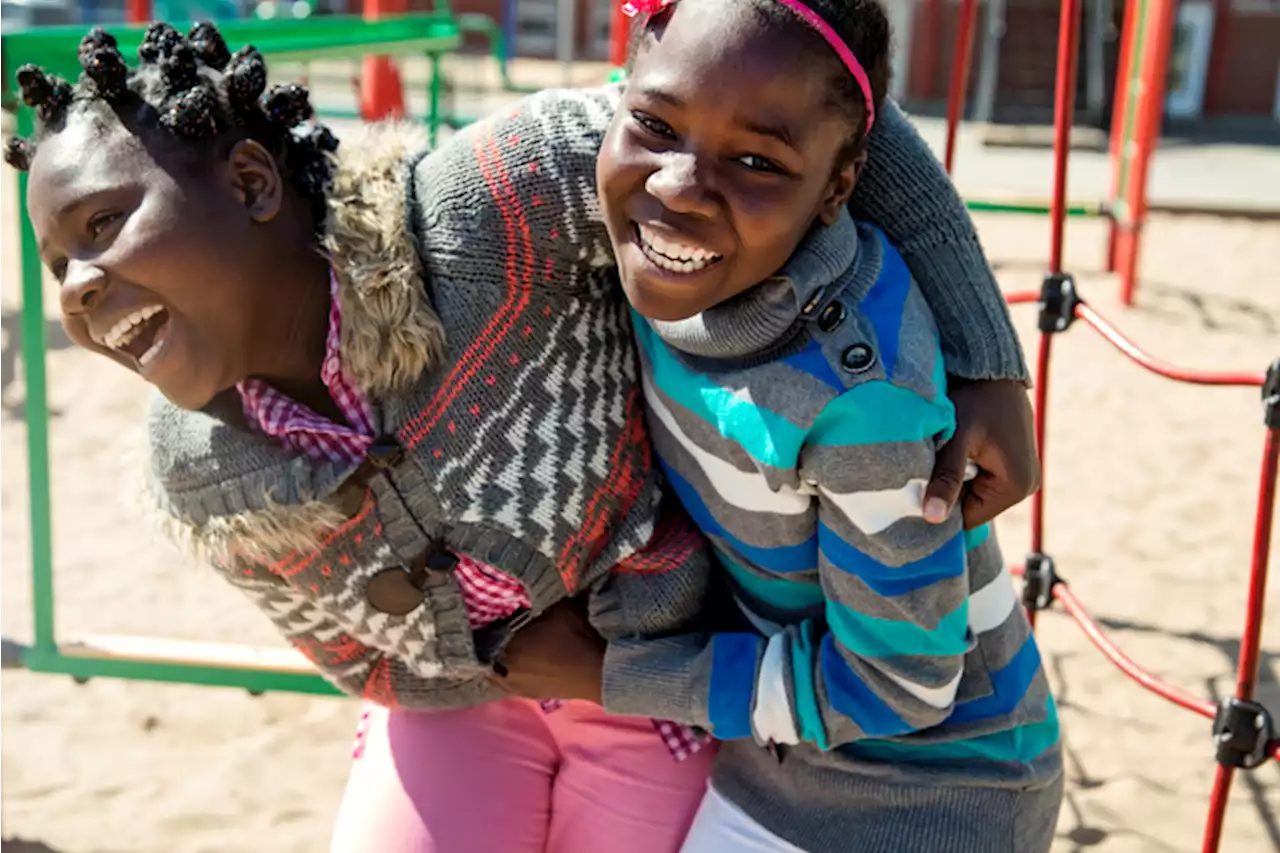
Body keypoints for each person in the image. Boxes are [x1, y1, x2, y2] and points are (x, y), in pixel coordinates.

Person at [4, 16, 1040, 853]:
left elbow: (809, 85)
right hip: (466, 699)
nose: (80, 287)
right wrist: (454, 663)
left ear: (248, 184)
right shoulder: (202, 471)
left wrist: (987, 355)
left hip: (663, 664)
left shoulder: (487, 211)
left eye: (103, 227)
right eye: (57, 264)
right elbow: (338, 644)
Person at [496, 1, 1064, 851]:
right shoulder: (667, 257)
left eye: (757, 160)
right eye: (653, 123)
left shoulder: (855, 404)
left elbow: (901, 687)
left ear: (839, 187)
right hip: (781, 754)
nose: (679, 186)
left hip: (934, 790)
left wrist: (605, 674)